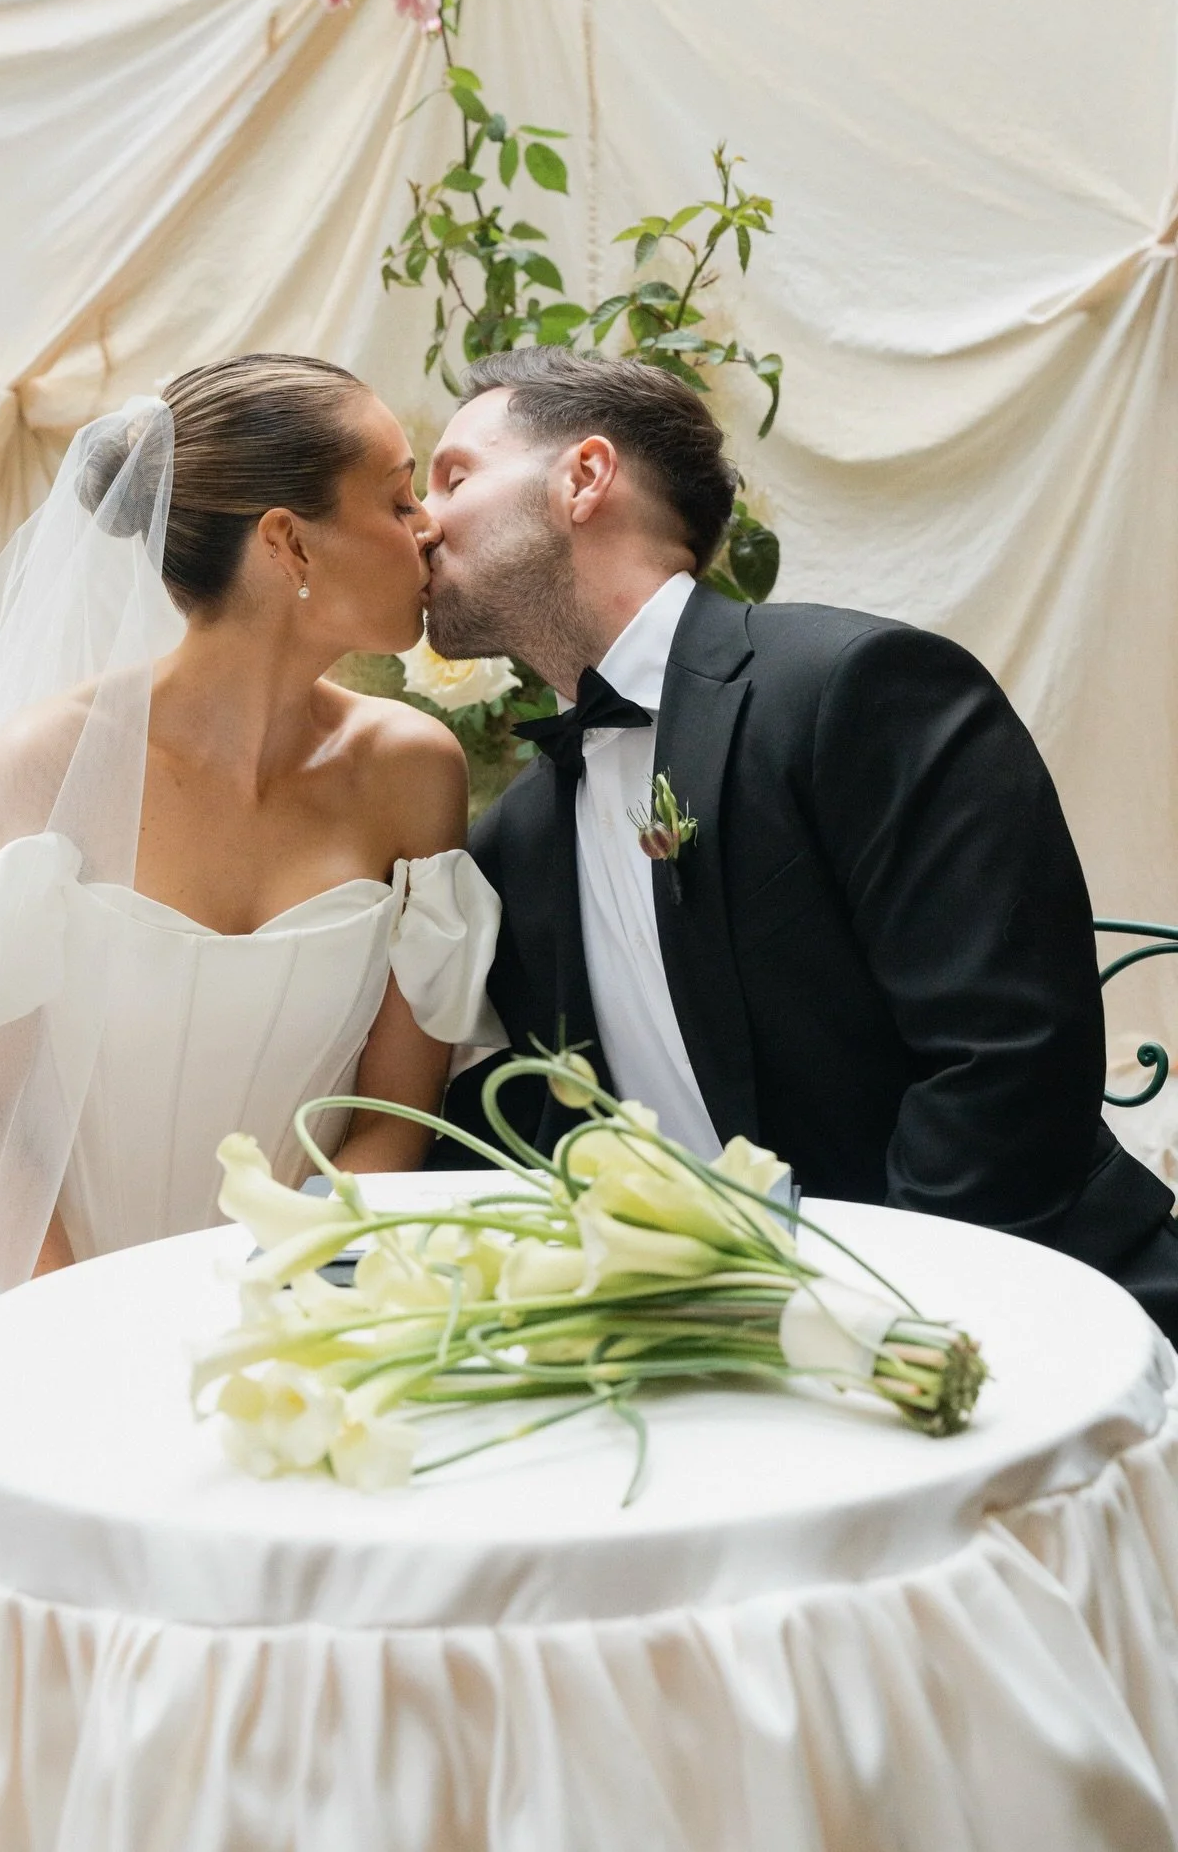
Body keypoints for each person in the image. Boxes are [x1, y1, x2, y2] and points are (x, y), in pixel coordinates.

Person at [0, 355, 499, 1832]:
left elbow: (393, 1117)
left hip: (296, 1332)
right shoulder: (47, 762)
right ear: (285, 541)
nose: (427, 531)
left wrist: (276, 1317)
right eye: (397, 495)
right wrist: (86, 1335)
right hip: (35, 1304)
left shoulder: (414, 768)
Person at [421, 344, 1178, 1340]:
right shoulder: (517, 836)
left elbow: (1006, 1059)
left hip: (1032, 1313)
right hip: (729, 1349)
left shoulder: (859, 687)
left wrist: (868, 1327)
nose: (422, 520)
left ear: (585, 477)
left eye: (453, 477)